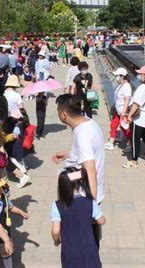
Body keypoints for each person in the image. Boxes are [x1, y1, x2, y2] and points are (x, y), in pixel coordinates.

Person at [52, 94, 105, 248]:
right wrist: (70, 155)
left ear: (63, 114)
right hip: (87, 190)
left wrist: (91, 206)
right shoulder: (88, 122)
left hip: (82, 195)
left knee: (84, 241)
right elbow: (89, 153)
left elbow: (90, 171)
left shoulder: (82, 135)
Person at [50, 167, 105, 267]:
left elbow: (55, 231)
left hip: (70, 254)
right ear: (79, 183)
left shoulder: (57, 205)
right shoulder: (90, 202)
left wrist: (56, 241)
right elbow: (101, 220)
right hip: (89, 252)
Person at [104, 67, 132, 151]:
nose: (115, 77)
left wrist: (123, 112)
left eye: (117, 75)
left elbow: (127, 99)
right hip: (118, 110)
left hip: (123, 112)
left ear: (122, 76)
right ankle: (111, 143)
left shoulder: (126, 86)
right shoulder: (121, 84)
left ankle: (131, 143)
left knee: (125, 128)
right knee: (113, 125)